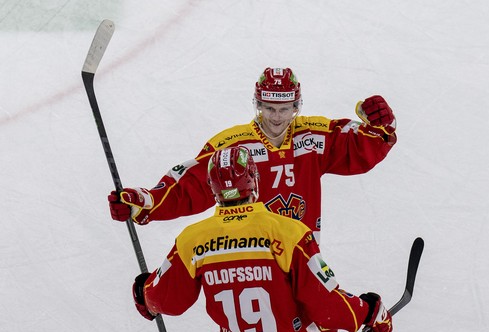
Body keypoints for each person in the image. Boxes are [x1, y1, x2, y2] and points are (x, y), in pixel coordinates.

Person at [132, 146, 393, 332]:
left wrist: (145, 293)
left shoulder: (193, 238)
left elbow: (167, 298)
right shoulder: (289, 233)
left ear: (213, 189)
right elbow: (327, 306)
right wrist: (368, 311)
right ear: (254, 181)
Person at [109, 67, 397, 243]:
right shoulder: (234, 145)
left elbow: (363, 148)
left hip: (303, 254)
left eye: (285, 109)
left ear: (296, 106)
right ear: (257, 105)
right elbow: (191, 186)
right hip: (248, 257)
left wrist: (381, 124)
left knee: (312, 328)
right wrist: (144, 202)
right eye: (269, 108)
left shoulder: (313, 136)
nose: (276, 117)